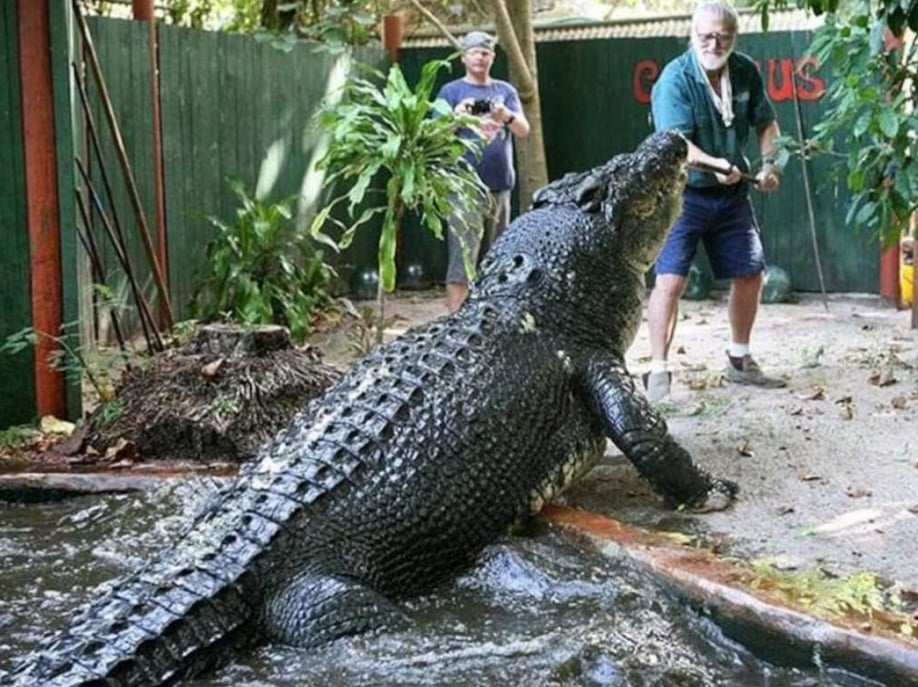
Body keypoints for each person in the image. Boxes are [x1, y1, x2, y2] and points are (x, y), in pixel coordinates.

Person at [644, 0, 785, 402]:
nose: (714, 42)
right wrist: (716, 163)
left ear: (733, 37)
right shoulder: (675, 79)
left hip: (732, 192)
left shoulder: (745, 70)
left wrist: (770, 163)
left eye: (722, 36)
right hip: (681, 194)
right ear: (693, 34)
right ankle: (658, 371)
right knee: (670, 280)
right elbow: (676, 145)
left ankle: (740, 360)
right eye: (706, 35)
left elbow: (767, 123)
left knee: (750, 272)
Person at [436, 30, 530, 313]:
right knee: (462, 262)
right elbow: (435, 134)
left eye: (485, 52)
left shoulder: (505, 91)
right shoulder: (450, 92)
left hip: (500, 188)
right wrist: (458, 116)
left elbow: (523, 130)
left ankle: (489, 321)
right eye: (475, 52)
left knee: (497, 261)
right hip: (463, 190)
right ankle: (456, 324)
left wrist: (506, 115)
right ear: (464, 57)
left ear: (492, 57)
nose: (480, 57)